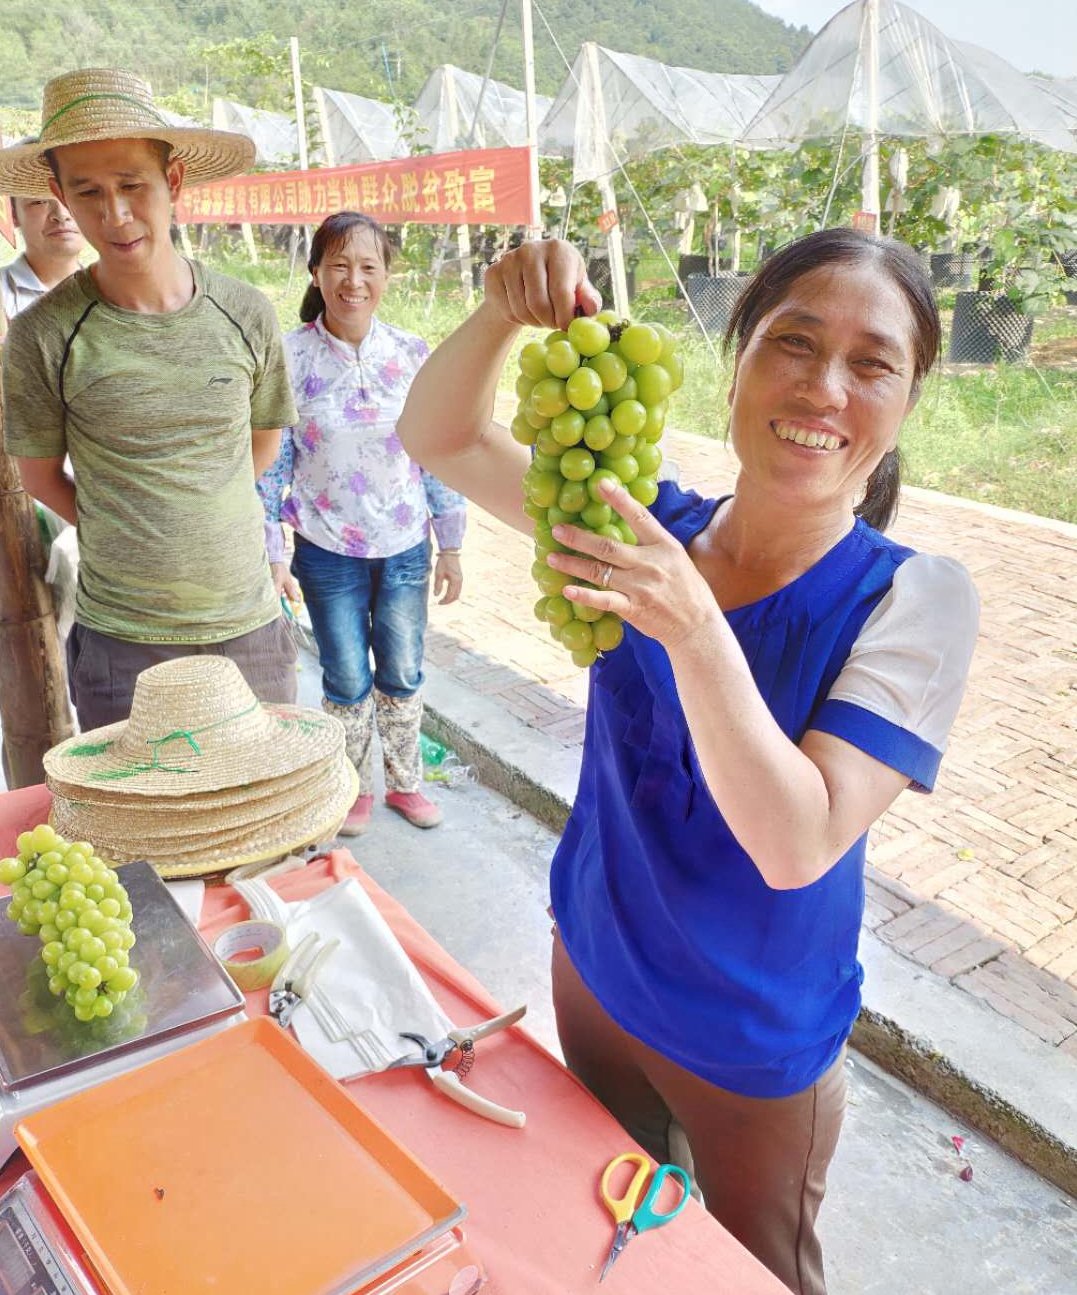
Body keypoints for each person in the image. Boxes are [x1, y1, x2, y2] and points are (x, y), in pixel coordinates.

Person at [397, 230, 979, 1294]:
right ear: (739, 355)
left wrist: (694, 626)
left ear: (908, 400)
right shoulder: (639, 527)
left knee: (755, 1273)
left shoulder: (913, 601)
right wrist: (498, 312)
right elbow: (436, 433)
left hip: (754, 1048)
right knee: (615, 1239)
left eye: (872, 362)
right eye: (793, 341)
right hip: (597, 973)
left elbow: (797, 837)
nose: (823, 386)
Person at [0, 68, 298, 730]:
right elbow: (39, 475)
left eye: (132, 185)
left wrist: (194, 506)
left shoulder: (246, 313)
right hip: (122, 643)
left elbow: (263, 439)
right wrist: (123, 521)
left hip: (250, 626)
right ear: (57, 195)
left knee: (265, 817)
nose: (115, 214)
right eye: (88, 192)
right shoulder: (41, 335)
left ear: (175, 182)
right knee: (138, 830)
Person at [259, 211, 467, 835]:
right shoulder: (288, 358)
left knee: (402, 670)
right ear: (317, 272)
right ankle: (351, 791)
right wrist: (274, 555)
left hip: (405, 546)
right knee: (346, 676)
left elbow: (437, 449)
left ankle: (405, 784)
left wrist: (450, 545)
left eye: (369, 267)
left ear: (386, 276)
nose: (354, 280)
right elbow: (271, 467)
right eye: (340, 265)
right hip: (325, 551)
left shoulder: (412, 353)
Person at [0, 157, 85, 331]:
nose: (61, 215)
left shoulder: (117, 292)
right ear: (14, 215)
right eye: (39, 202)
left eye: (70, 197)